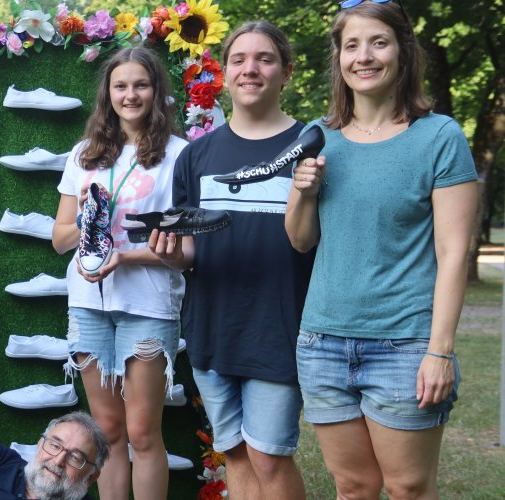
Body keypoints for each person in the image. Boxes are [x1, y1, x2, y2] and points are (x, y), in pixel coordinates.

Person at [284, 2, 476, 498]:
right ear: (339, 59)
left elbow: (454, 253)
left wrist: (440, 350)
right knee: (353, 487)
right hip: (321, 344)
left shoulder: (439, 137)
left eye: (378, 42)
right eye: (351, 45)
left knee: (409, 487)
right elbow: (301, 239)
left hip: (405, 345)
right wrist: (304, 190)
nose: (363, 56)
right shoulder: (319, 136)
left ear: (402, 52)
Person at [150, 21, 310, 499]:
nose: (250, 69)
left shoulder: (312, 145)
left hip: (279, 326)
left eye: (264, 59)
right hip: (213, 326)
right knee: (235, 452)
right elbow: (189, 252)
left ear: (286, 72)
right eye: (239, 59)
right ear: (224, 72)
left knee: (270, 456)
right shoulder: (196, 156)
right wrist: (174, 254)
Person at [51, 46, 188, 500]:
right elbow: (59, 238)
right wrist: (90, 222)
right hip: (89, 304)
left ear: (156, 91)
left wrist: (126, 256)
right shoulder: (84, 154)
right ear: (107, 94)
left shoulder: (179, 156)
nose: (131, 95)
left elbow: (187, 251)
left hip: (147, 304)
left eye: (141, 85)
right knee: (107, 434)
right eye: (121, 86)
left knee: (143, 432)